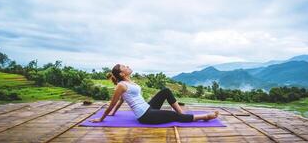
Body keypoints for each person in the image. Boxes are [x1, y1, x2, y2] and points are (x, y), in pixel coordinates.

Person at [89, 64, 219, 124]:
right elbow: (113, 103)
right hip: (145, 116)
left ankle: (182, 115)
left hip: (148, 107)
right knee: (172, 115)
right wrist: (102, 118)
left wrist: (114, 113)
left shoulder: (130, 82)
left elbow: (122, 100)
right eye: (125, 67)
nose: (127, 66)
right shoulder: (121, 85)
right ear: (122, 74)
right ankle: (204, 116)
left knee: (166, 91)